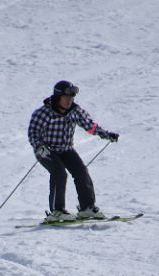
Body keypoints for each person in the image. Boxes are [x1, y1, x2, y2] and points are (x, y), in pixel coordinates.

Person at [28, 80, 119, 222]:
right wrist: (39, 147)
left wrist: (107, 135)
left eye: (71, 98)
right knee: (59, 173)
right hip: (46, 150)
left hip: (66, 149)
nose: (69, 101)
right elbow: (33, 133)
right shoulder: (43, 113)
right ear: (58, 97)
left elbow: (90, 126)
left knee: (81, 171)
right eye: (66, 97)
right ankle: (57, 211)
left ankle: (87, 208)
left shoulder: (75, 111)